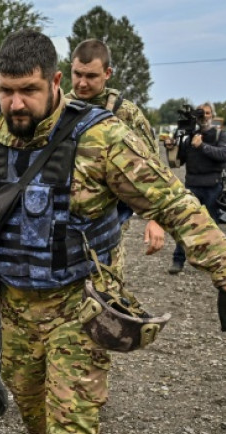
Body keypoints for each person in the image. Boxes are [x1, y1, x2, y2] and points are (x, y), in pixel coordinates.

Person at [0, 29, 226, 434]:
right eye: (5, 90)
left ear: (56, 82)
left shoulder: (102, 137)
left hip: (79, 308)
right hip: (15, 308)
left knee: (71, 431)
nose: (15, 103)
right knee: (32, 409)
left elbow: (172, 202)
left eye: (28, 90)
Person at [64, 38, 165, 281]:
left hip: (110, 221)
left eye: (91, 76)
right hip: (63, 220)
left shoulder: (125, 113)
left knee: (106, 288)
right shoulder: (58, 107)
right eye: (77, 74)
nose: (82, 82)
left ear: (107, 73)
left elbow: (151, 169)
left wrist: (155, 219)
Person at [164, 102, 226, 274]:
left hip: (213, 186)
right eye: (201, 113)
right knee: (185, 224)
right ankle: (178, 261)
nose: (204, 116)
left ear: (213, 116)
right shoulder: (190, 136)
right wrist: (171, 148)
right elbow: (178, 161)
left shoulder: (219, 135)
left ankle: (215, 262)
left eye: (208, 113)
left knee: (212, 227)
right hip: (192, 185)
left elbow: (225, 154)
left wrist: (202, 146)